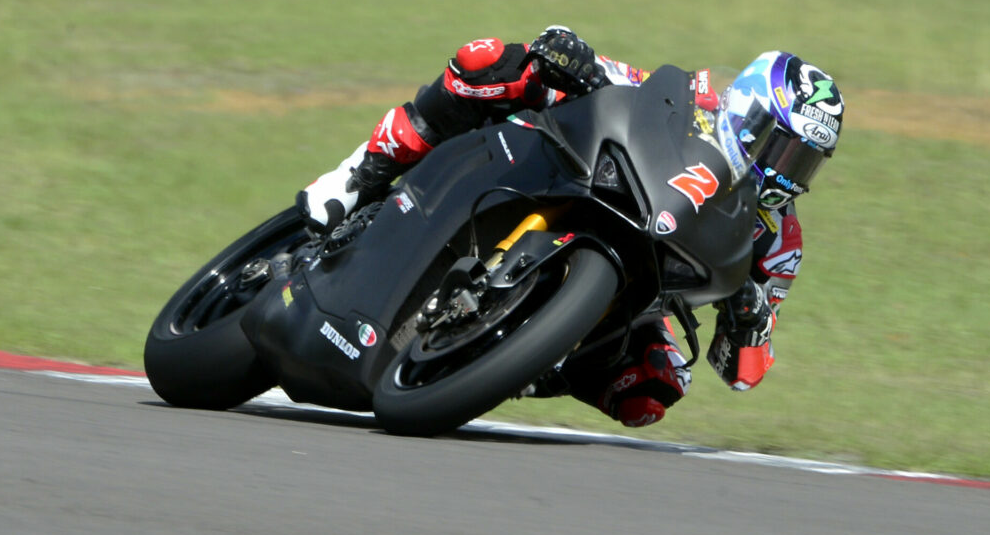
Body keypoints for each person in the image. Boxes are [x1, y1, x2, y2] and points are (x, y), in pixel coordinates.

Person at [297, 27, 844, 428]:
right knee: (491, 62)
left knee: (657, 387)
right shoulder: (696, 102)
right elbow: (620, 81)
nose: (785, 169)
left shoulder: (778, 238)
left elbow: (743, 373)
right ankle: (359, 177)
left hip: (632, 293)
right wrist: (572, 57)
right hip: (578, 178)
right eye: (781, 145)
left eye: (803, 161)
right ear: (747, 108)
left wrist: (749, 317)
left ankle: (510, 364)